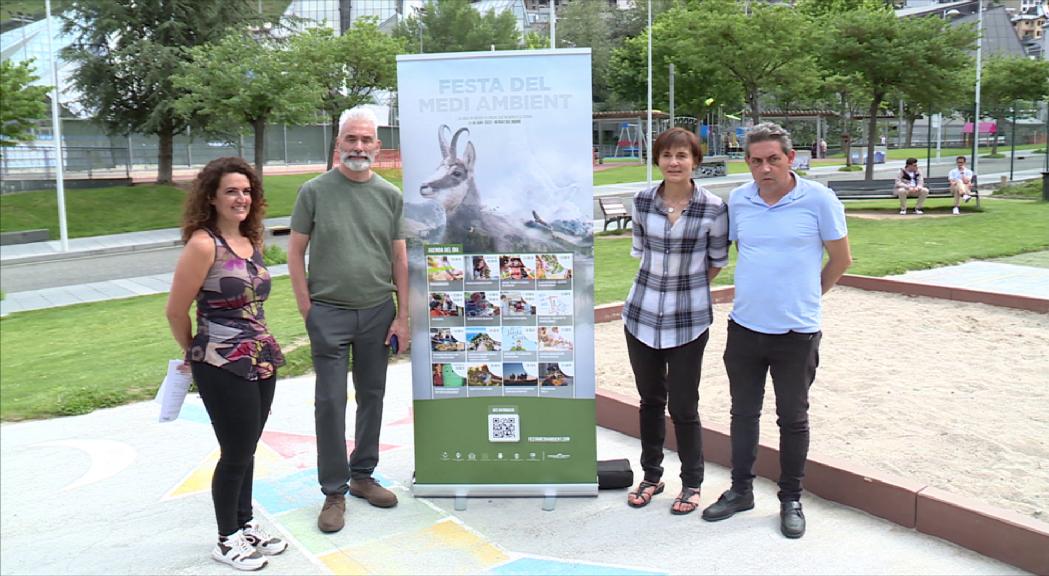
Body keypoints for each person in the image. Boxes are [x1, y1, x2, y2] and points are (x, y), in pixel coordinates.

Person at [701, 123, 851, 539]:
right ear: (747, 163)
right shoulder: (741, 201)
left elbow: (841, 260)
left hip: (796, 333)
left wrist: (808, 297)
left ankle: (791, 499)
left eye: (773, 159)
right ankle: (741, 491)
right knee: (743, 414)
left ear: (790, 158)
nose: (764, 168)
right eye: (755, 161)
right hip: (745, 328)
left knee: (793, 418)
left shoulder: (818, 199)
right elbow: (725, 254)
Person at [287, 107, 409, 534]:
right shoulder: (314, 191)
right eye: (351, 140)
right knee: (330, 402)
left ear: (377, 145)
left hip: (378, 312)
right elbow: (295, 252)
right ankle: (333, 491)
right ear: (338, 144)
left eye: (366, 140)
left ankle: (363, 476)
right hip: (330, 314)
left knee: (372, 396)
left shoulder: (390, 196)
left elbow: (399, 257)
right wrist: (308, 309)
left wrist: (403, 318)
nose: (359, 147)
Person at [165, 157, 288, 570]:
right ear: (212, 197)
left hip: (260, 357)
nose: (241, 198)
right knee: (235, 452)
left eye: (247, 191)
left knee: (249, 448)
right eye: (231, 191)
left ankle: (245, 524)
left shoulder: (251, 241)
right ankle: (226, 539)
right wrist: (194, 351)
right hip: (220, 361)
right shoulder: (203, 245)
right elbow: (175, 311)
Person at [622, 127, 729, 516]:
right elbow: (641, 250)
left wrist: (687, 289)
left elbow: (717, 261)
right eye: (667, 155)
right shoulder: (641, 201)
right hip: (641, 315)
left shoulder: (714, 208)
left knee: (685, 404)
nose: (674, 162)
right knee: (650, 400)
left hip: (689, 320)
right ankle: (651, 475)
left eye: (682, 155)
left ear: (695, 161)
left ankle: (692, 483)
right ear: (658, 160)